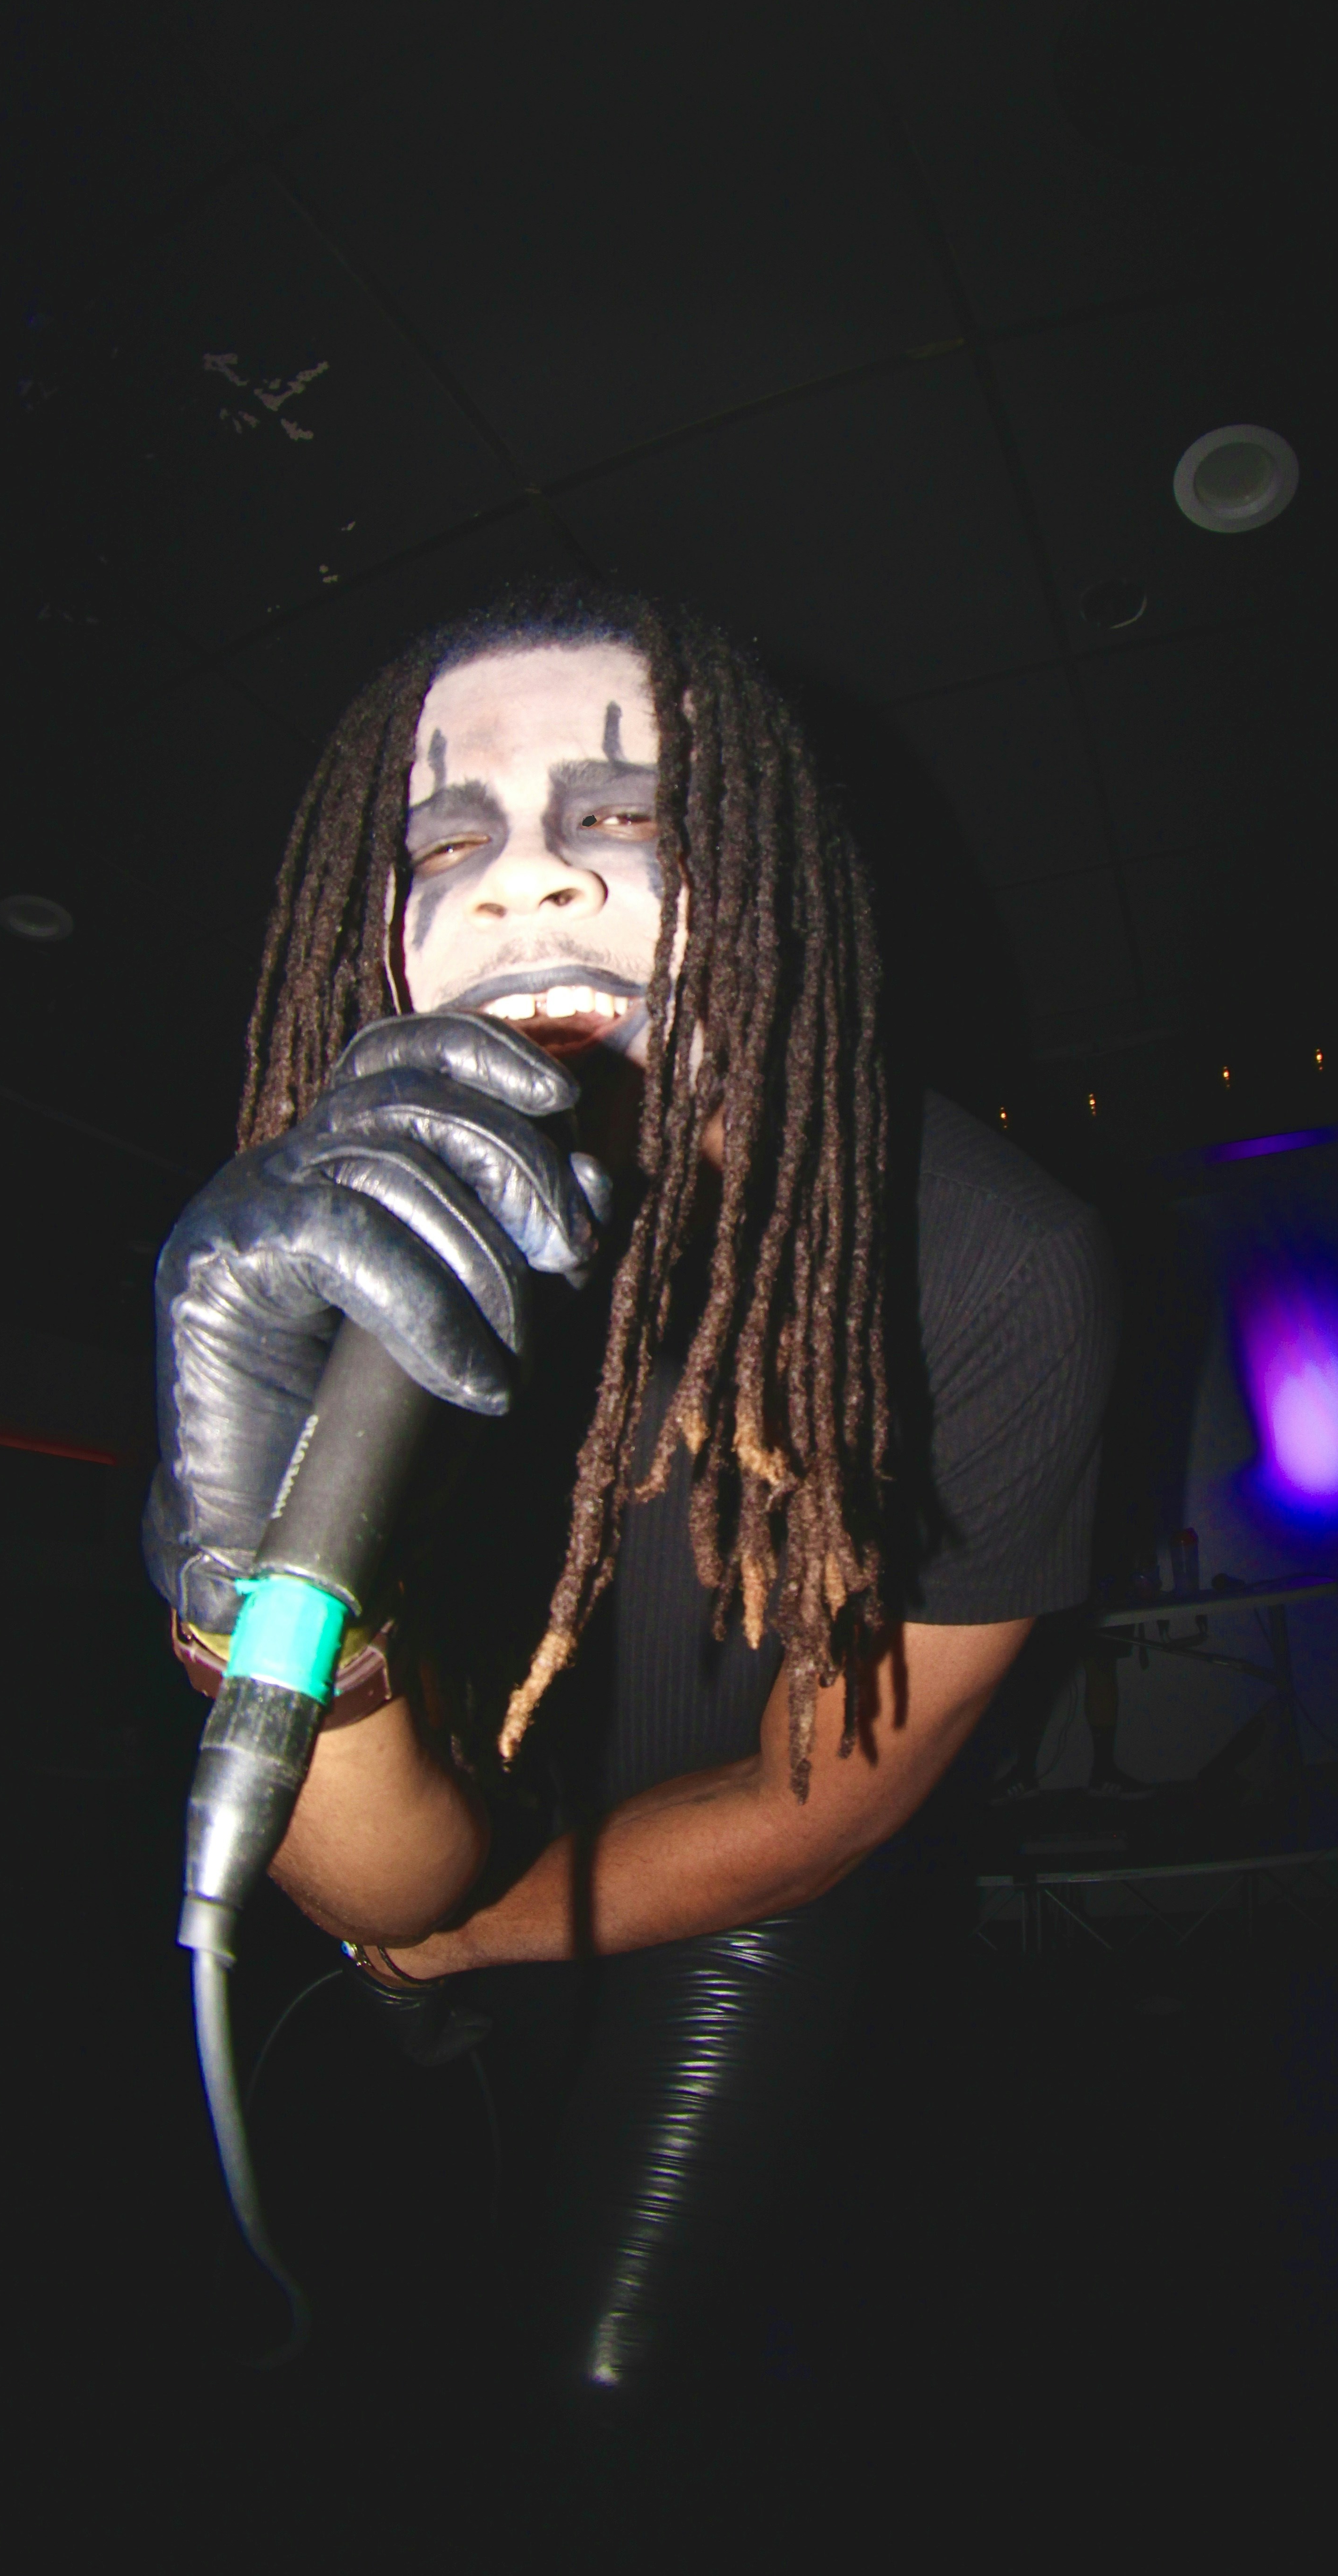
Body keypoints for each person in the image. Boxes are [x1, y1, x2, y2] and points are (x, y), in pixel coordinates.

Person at [144, 578, 1119, 2446]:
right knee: (381, 2360)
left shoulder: (994, 1267)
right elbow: (371, 1876)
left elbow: (810, 1810)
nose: (525, 885)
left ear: (770, 882)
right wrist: (238, 1538)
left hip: (744, 1891)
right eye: (448, 840)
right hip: (450, 1845)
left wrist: (459, 1936)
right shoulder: (319, 1261)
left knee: (599, 2389)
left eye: (625, 819)